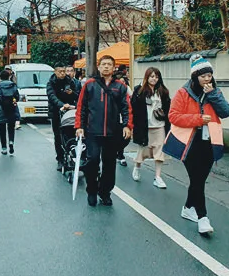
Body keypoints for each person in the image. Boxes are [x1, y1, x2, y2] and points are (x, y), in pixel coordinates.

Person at [166, 53, 229, 236]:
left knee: (199, 180)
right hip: (188, 143)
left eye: (209, 75)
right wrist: (197, 119)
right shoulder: (183, 93)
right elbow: (173, 116)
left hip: (210, 143)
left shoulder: (214, 92)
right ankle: (203, 218)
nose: (206, 79)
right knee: (197, 179)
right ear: (195, 77)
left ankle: (188, 207)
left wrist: (214, 95)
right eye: (203, 76)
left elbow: (226, 111)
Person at [75, 54, 132, 207]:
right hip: (92, 132)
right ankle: (92, 190)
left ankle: (105, 192)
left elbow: (126, 108)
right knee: (92, 161)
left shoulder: (120, 86)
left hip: (112, 133)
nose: (106, 67)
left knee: (109, 165)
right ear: (98, 67)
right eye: (103, 64)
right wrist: (79, 126)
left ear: (114, 68)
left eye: (109, 64)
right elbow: (82, 107)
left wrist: (127, 125)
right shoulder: (90, 85)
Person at [130, 67, 170, 188]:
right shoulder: (140, 90)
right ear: (147, 77)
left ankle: (158, 177)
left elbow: (168, 108)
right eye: (152, 76)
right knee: (143, 150)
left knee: (159, 151)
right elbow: (133, 107)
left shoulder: (163, 91)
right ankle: (137, 167)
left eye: (156, 77)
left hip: (159, 126)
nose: (154, 79)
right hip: (144, 126)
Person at [47, 63, 81, 171]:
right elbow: (51, 96)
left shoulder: (70, 81)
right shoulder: (51, 83)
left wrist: (72, 93)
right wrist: (61, 105)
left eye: (64, 71)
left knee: (71, 133)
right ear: (55, 72)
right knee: (58, 136)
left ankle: (73, 155)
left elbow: (78, 96)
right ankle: (60, 159)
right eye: (60, 71)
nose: (62, 73)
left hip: (70, 111)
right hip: (56, 111)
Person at [0, 67, 20, 155]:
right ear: (9, 77)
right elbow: (17, 97)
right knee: (11, 127)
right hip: (12, 108)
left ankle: (4, 148)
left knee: (2, 129)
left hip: (2, 109)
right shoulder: (13, 85)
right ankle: (11, 141)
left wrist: (1, 102)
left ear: (0, 78)